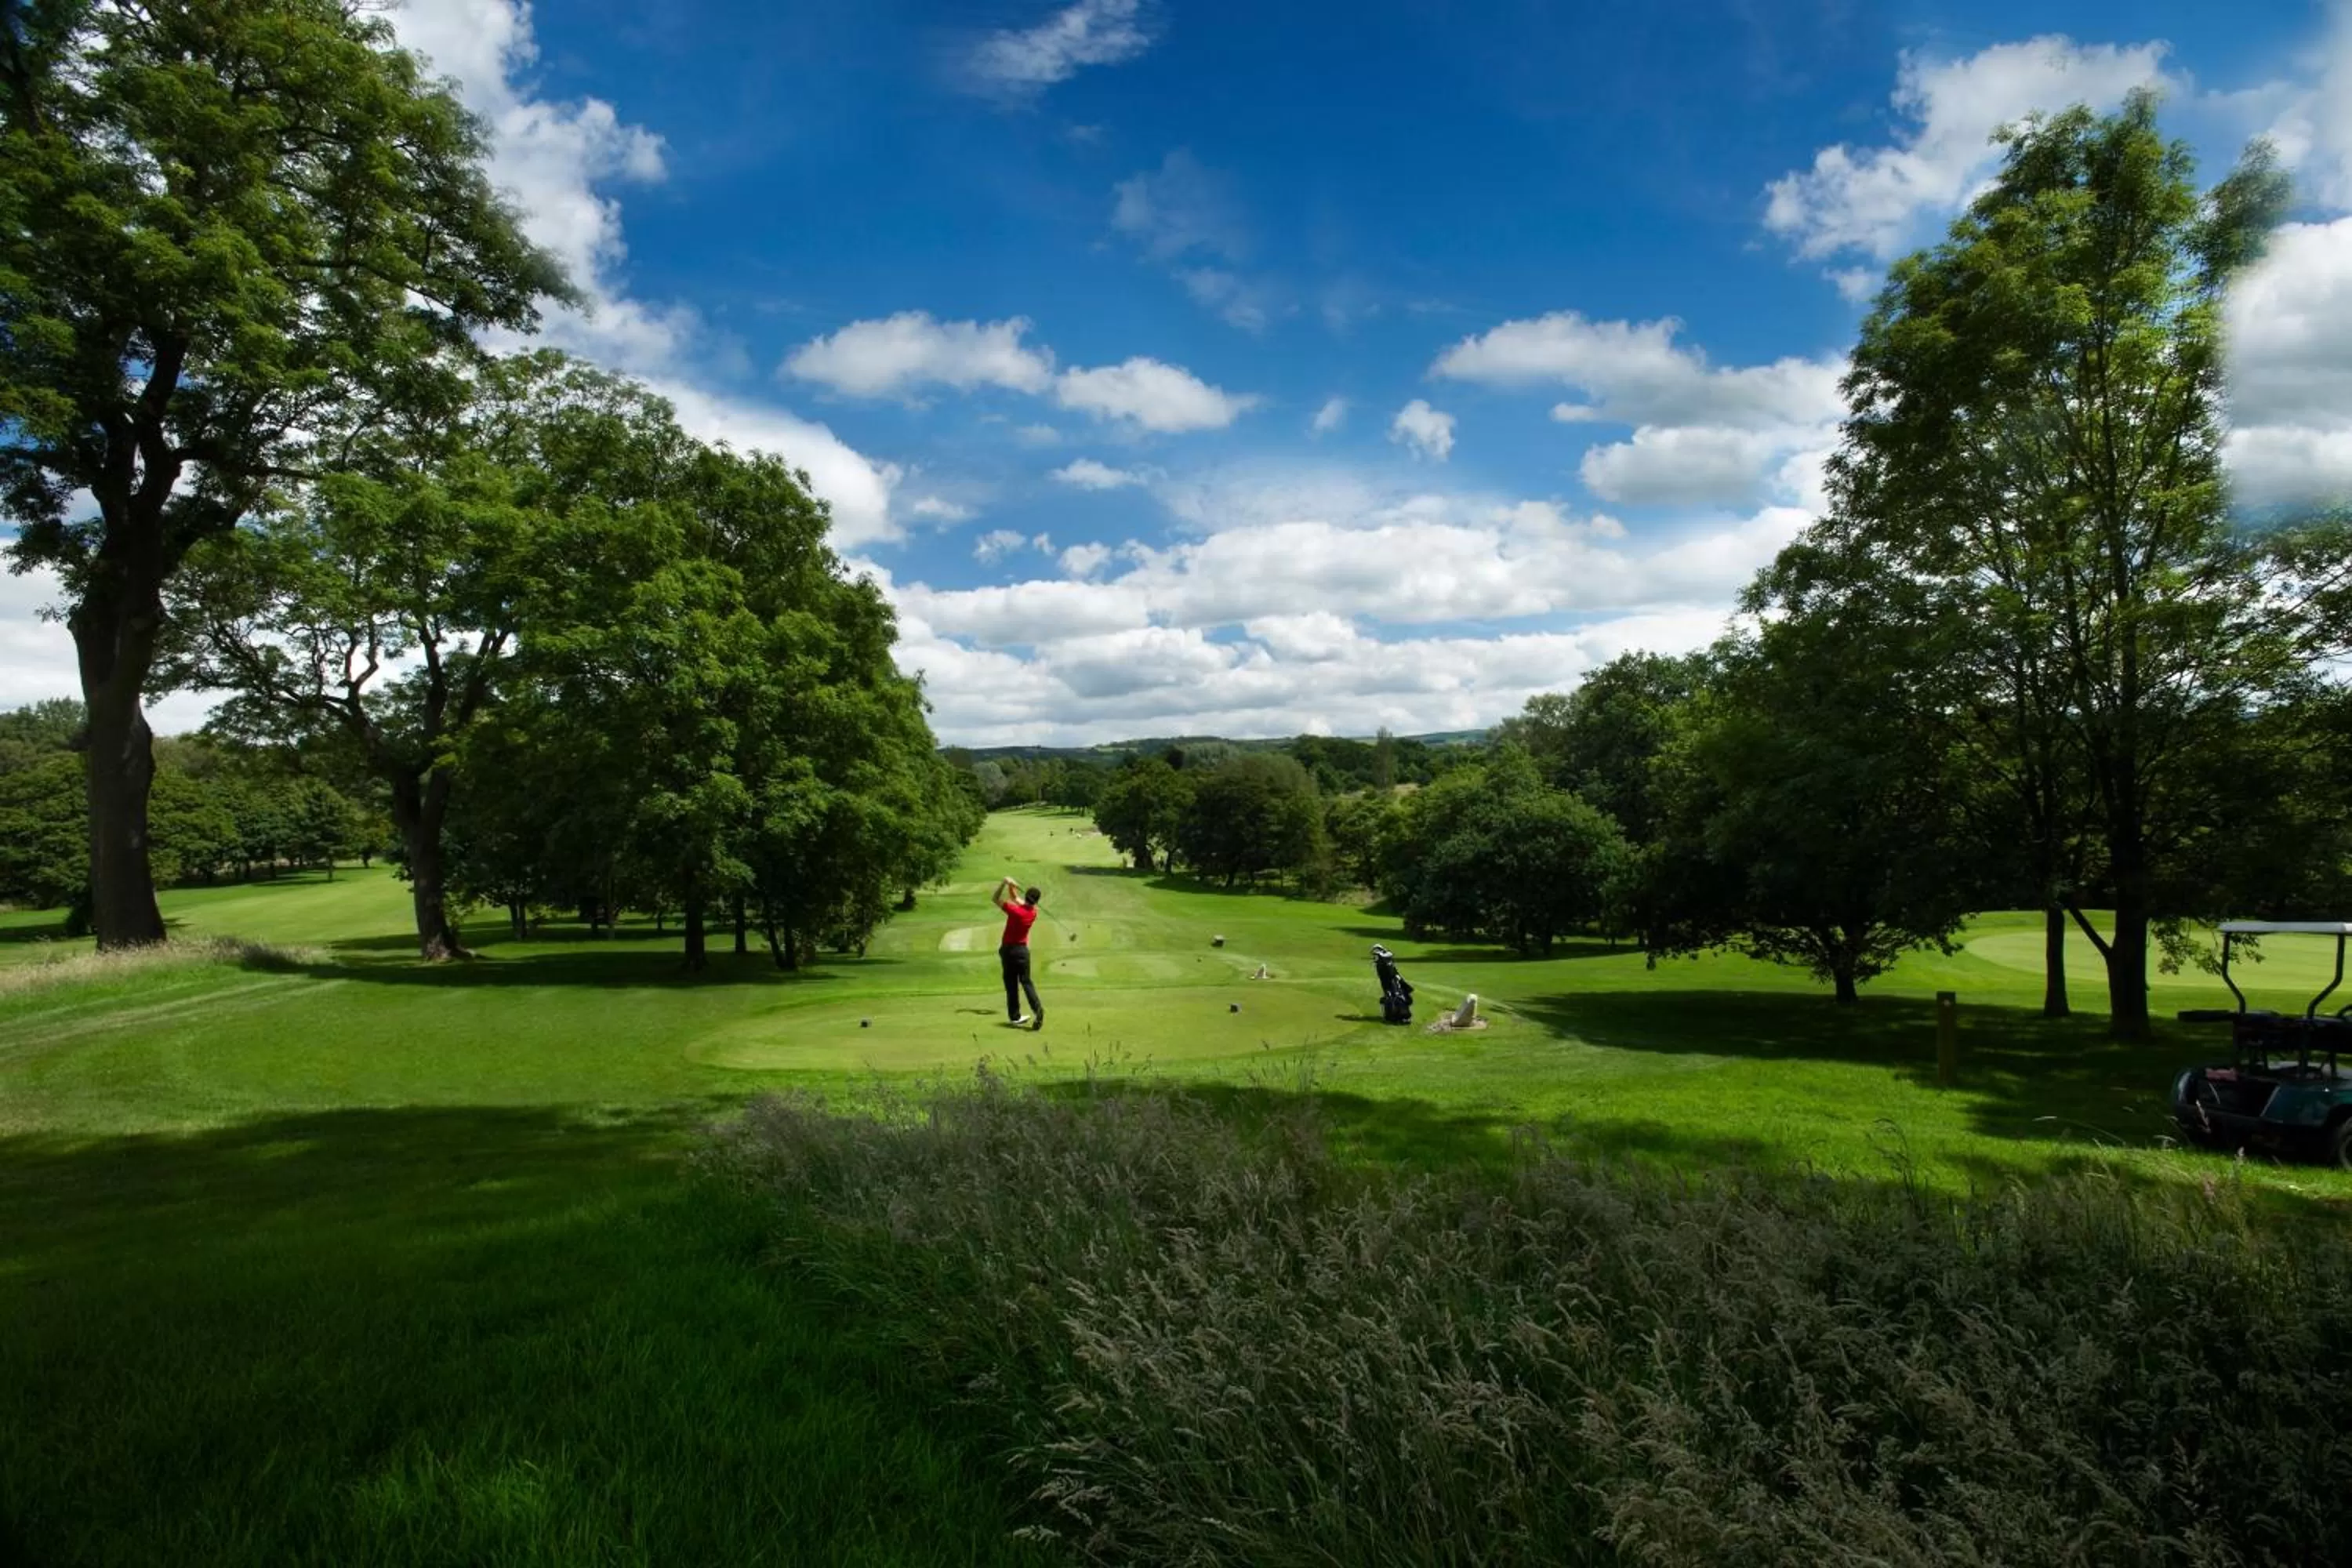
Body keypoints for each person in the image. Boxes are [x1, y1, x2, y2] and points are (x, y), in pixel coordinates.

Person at [992, 876, 1044, 1029]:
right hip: (1022, 952)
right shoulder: (1033, 912)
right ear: (1036, 901)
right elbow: (1015, 897)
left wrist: (1004, 882)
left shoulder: (1015, 911)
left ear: (1026, 896)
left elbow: (995, 899)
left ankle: (1015, 1016)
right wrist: (1012, 885)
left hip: (1009, 951)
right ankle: (1037, 1009)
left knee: (1011, 983)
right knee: (1026, 982)